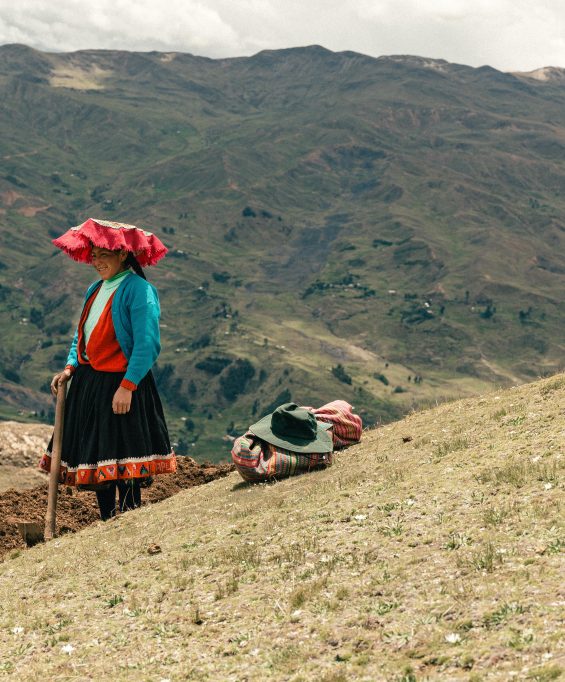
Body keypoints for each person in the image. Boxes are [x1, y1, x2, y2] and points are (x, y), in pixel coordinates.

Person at [39, 218, 176, 520]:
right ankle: (107, 518)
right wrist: (70, 367)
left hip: (122, 383)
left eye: (104, 255)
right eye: (94, 255)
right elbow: (82, 335)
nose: (97, 261)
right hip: (91, 383)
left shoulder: (139, 290)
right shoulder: (95, 289)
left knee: (124, 454)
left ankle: (129, 516)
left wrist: (128, 386)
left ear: (123, 254)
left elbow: (147, 344)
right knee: (100, 453)